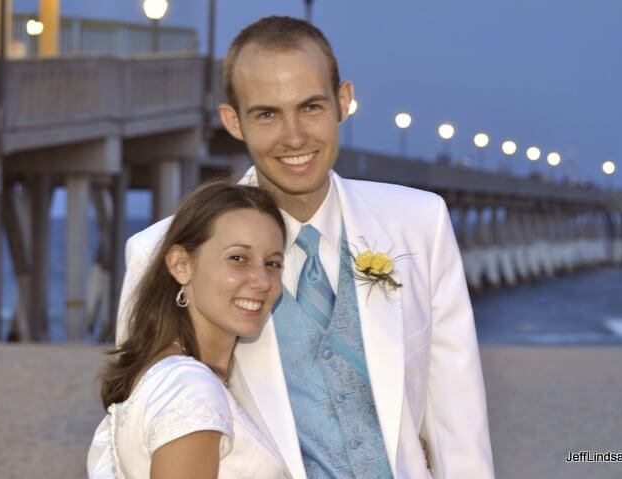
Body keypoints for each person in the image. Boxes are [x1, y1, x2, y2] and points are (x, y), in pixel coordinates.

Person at [113, 16, 494, 479]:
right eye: (267, 114)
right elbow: (136, 431)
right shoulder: (159, 250)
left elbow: (459, 419)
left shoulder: (420, 223)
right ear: (233, 121)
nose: (294, 136)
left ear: (344, 101)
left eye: (311, 107)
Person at [87, 181, 288, 478]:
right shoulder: (191, 388)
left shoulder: (164, 374)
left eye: (272, 263)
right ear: (181, 264)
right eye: (238, 258)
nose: (262, 280)